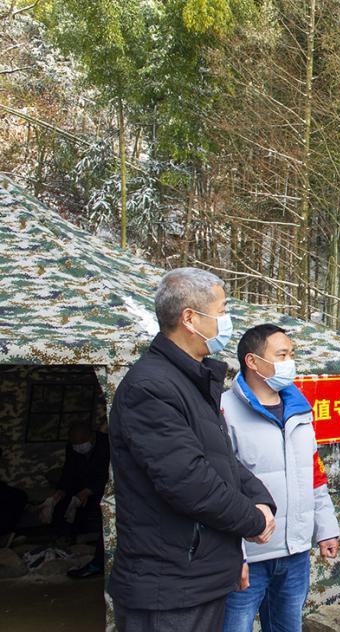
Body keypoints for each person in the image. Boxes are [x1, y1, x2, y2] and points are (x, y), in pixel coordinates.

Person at [109, 268, 277, 632]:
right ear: (190, 318)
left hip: (199, 576)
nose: (228, 320)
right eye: (222, 309)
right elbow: (188, 480)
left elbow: (221, 461)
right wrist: (252, 519)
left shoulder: (193, 380)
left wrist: (260, 501)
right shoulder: (151, 387)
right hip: (169, 587)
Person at [221, 324, 340, 632]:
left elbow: (313, 473)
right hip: (249, 553)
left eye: (292, 354)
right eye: (282, 354)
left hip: (295, 553)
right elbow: (220, 486)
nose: (290, 361)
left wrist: (325, 528)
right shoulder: (224, 410)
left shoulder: (300, 409)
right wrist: (233, 553)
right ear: (253, 361)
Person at [38, 421, 110, 578]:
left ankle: (98, 561)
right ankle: (63, 538)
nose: (78, 447)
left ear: (90, 437)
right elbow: (69, 471)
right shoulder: (73, 448)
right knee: (63, 503)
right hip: (82, 484)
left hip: (105, 487)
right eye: (75, 444)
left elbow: (111, 473)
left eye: (81, 443)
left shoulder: (108, 443)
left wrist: (89, 491)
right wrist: (61, 491)